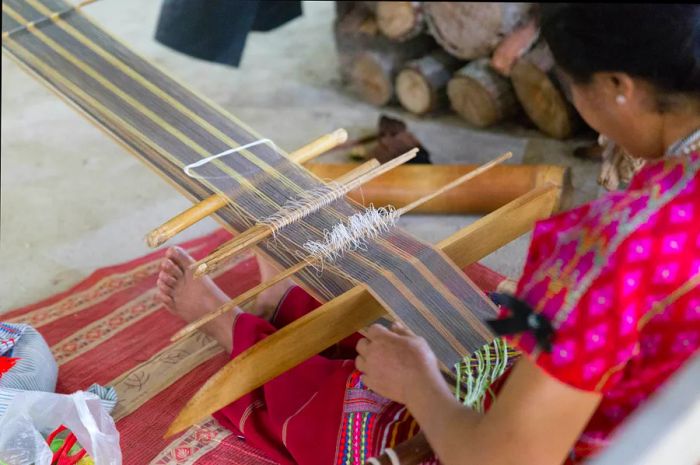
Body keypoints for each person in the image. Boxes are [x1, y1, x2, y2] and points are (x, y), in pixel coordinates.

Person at [156, 4, 700, 464]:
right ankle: (284, 300)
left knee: (361, 403)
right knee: (428, 326)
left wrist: (416, 384)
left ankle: (235, 331)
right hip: (664, 419)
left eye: (570, 82)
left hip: (624, 444)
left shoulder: (611, 247)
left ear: (619, 87)